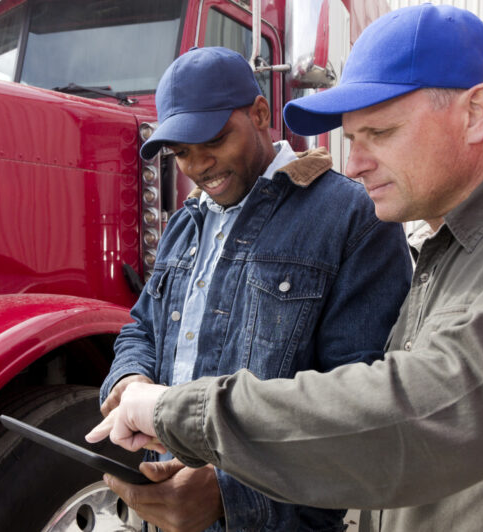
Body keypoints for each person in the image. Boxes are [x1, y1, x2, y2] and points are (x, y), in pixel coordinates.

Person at [87, 5, 483, 531]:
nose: (353, 164)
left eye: (382, 132)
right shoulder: (451, 249)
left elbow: (428, 408)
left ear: (476, 112)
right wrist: (137, 385)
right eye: (352, 138)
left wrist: (177, 416)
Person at [98, 46, 412, 531]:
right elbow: (141, 326)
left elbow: (359, 408)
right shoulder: (185, 223)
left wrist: (228, 493)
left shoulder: (353, 216)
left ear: (261, 113)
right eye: (181, 152)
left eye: (214, 141)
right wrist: (130, 381)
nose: (200, 166)